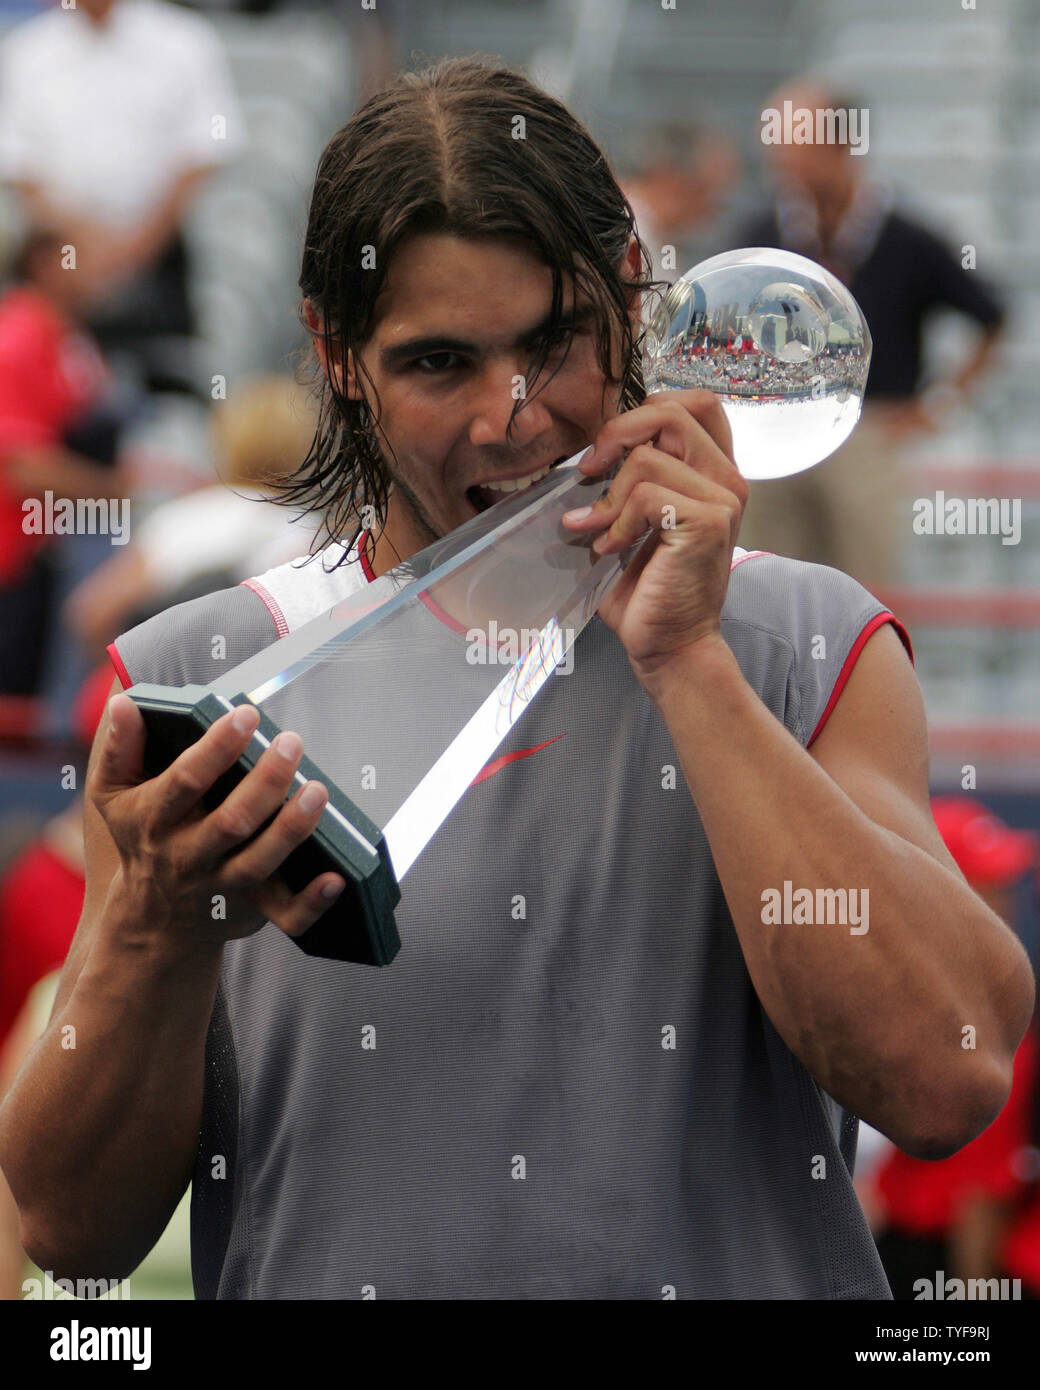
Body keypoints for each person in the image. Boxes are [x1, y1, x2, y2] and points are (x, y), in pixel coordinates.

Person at [0, 56, 1033, 1301]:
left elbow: (946, 1078)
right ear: (335, 354)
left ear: (632, 301)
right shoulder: (196, 680)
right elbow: (69, 1228)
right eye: (441, 363)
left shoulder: (804, 638)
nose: (514, 417)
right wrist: (153, 938)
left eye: (558, 343)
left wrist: (688, 662)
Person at [736, 78, 1006, 593]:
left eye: (792, 140)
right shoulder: (762, 232)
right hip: (777, 433)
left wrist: (940, 404)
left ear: (839, 144)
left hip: (867, 434)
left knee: (863, 592)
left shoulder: (908, 237)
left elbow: (991, 315)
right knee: (762, 585)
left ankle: (865, 677)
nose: (778, 157)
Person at [867, 797, 1040, 1299]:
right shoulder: (986, 1020)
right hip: (935, 1256)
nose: (1008, 900)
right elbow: (976, 1199)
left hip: (913, 1250)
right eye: (988, 884)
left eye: (1007, 882)